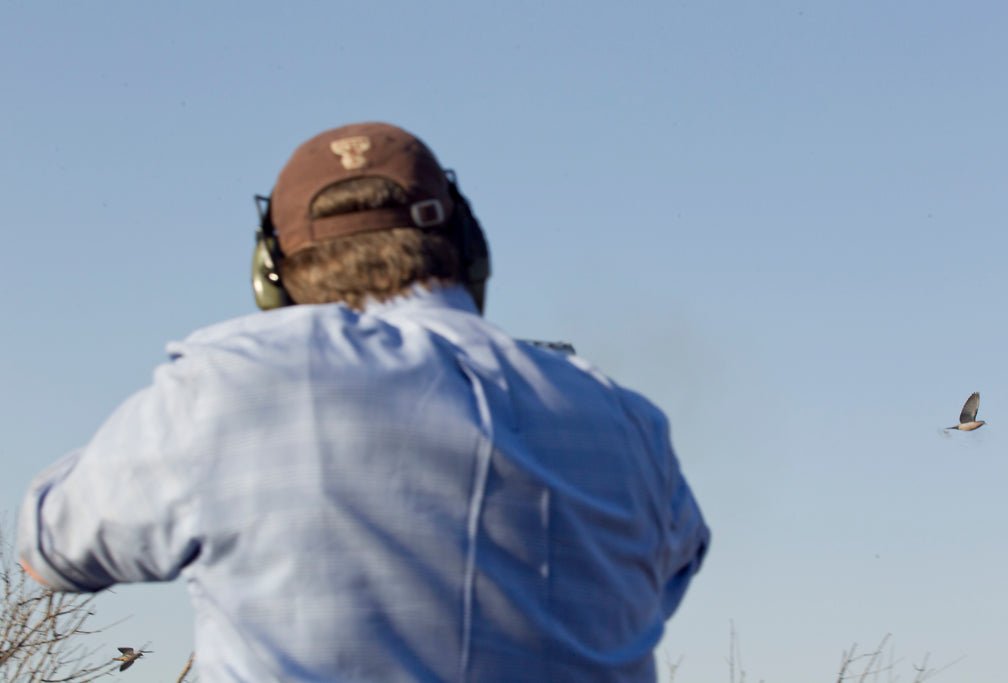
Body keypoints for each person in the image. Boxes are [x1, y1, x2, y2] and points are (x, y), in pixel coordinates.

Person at [18, 122, 710, 682]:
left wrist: (170, 431)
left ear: (270, 276)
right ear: (469, 250)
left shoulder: (226, 391)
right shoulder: (626, 421)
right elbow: (666, 579)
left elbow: (49, 548)